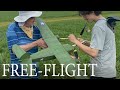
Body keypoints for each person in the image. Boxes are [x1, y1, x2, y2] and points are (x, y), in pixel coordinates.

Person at [68, 11, 116, 79]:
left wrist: (75, 41)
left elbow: (93, 53)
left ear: (92, 12)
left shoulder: (98, 27)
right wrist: (85, 42)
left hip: (101, 73)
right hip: (109, 71)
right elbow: (103, 45)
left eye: (84, 15)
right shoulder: (105, 22)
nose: (84, 18)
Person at [6, 11, 48, 79]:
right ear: (24, 18)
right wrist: (36, 43)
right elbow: (15, 50)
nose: (34, 19)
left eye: (34, 17)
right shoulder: (13, 28)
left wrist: (49, 41)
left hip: (34, 69)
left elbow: (44, 45)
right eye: (31, 17)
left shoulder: (36, 29)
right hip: (18, 70)